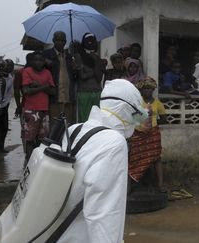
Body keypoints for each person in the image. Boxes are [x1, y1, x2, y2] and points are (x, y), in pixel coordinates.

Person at [58, 79, 148, 242]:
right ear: (126, 110)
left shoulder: (75, 129)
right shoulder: (113, 142)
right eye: (136, 117)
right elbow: (103, 214)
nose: (136, 124)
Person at [128, 77, 167, 192]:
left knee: (156, 158)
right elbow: (133, 119)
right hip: (138, 134)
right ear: (140, 90)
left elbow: (164, 119)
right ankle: (129, 187)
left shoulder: (158, 104)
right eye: (144, 89)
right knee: (134, 158)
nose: (147, 91)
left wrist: (152, 124)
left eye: (149, 88)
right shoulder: (137, 103)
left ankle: (160, 185)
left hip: (153, 134)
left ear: (153, 89)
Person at [22, 51, 56, 162]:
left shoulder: (47, 73)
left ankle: (39, 161)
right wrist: (44, 87)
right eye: (35, 60)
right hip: (31, 110)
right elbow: (26, 91)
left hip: (44, 110)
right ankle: (28, 160)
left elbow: (53, 91)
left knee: (43, 138)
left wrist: (38, 86)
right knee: (30, 138)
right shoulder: (27, 71)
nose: (38, 62)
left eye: (41, 60)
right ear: (31, 61)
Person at [43, 31, 76, 124]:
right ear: (53, 40)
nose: (60, 42)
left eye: (62, 40)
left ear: (65, 42)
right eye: (58, 40)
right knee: (54, 126)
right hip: (54, 97)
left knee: (68, 126)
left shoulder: (69, 57)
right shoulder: (46, 54)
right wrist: (45, 61)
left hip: (68, 97)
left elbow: (74, 76)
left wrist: (75, 68)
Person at [75, 33, 104, 123]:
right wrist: (93, 72)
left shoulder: (97, 58)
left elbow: (99, 78)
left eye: (93, 41)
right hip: (84, 92)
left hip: (97, 92)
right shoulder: (78, 56)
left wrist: (95, 62)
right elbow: (82, 76)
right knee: (84, 120)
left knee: (97, 120)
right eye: (88, 41)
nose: (91, 43)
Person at [0, 59, 15, 153]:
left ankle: (0, 147)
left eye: (12, 66)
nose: (10, 68)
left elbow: (9, 94)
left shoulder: (11, 78)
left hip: (5, 106)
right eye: (8, 66)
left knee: (4, 128)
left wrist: (6, 105)